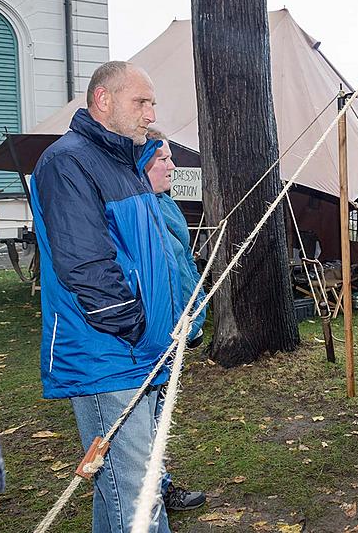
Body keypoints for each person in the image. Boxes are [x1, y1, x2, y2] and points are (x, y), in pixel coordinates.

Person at [31, 61, 180, 533]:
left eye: (152, 102)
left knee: (121, 486)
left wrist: (166, 327)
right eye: (142, 102)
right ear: (103, 101)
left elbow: (151, 259)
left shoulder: (125, 164)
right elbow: (86, 266)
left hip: (142, 351)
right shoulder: (67, 162)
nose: (150, 112)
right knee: (138, 498)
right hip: (108, 353)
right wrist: (136, 326)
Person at [143, 130, 207, 511]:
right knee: (147, 421)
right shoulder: (139, 211)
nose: (172, 165)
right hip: (155, 334)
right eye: (163, 159)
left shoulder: (164, 203)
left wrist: (195, 317)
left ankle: (159, 486)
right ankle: (155, 492)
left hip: (178, 326)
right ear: (142, 165)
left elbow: (182, 266)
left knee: (157, 416)